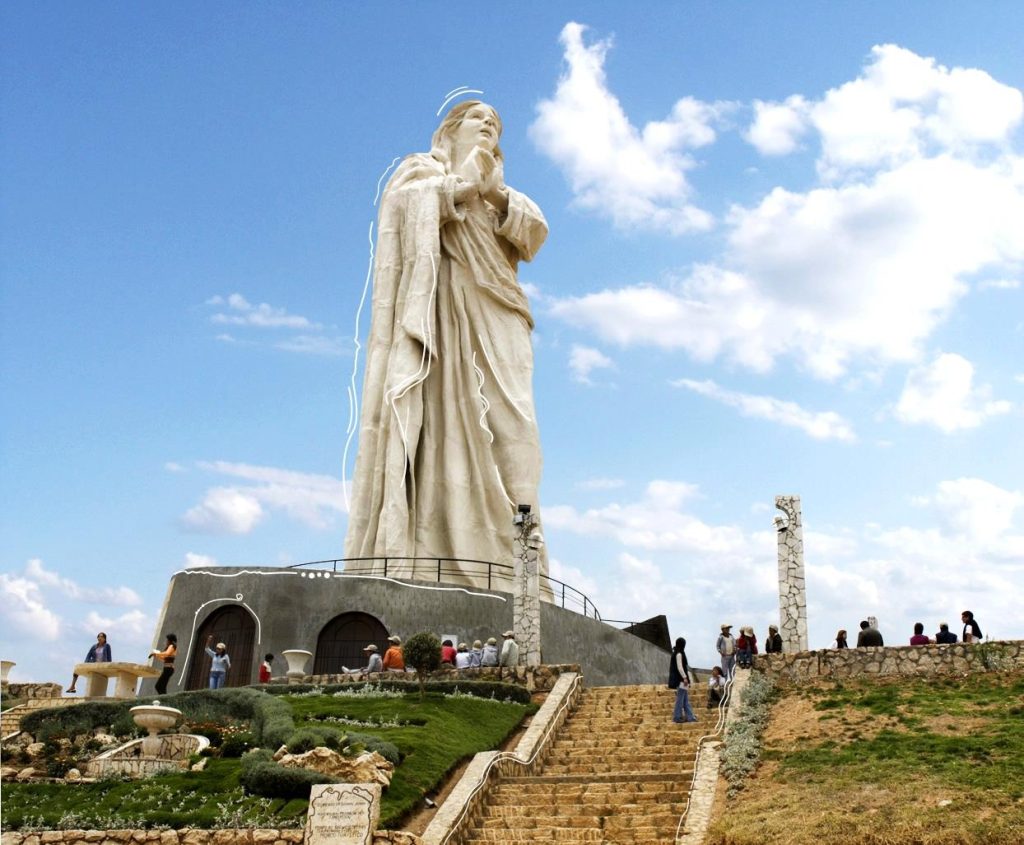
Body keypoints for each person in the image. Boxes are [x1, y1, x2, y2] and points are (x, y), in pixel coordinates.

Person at [343, 101, 550, 589]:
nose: (490, 125)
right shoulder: (421, 172)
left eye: (496, 124)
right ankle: (440, 557)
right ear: (451, 130)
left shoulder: (501, 194)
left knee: (519, 435)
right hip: (441, 315)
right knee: (443, 429)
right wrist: (460, 187)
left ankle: (526, 572)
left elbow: (536, 233)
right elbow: (399, 210)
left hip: (500, 312)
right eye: (479, 118)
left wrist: (493, 193)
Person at [668, 638, 697, 723]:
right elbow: (680, 667)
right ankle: (677, 717)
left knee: (685, 700)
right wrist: (684, 678)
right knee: (680, 699)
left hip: (681, 680)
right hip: (681, 680)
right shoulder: (679, 654)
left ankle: (690, 717)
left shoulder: (676, 653)